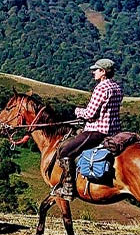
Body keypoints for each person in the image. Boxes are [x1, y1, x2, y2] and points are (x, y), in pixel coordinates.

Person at [53, 58, 123, 198]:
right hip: (114, 131)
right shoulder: (117, 87)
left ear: (103, 72)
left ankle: (68, 188)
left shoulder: (101, 88)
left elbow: (90, 113)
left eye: (96, 70)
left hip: (97, 132)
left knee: (65, 151)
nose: (93, 73)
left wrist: (78, 111)